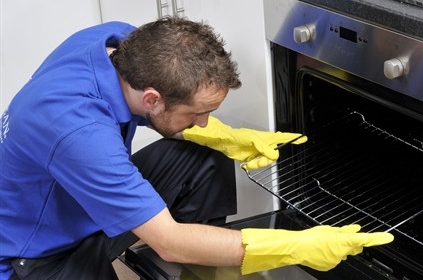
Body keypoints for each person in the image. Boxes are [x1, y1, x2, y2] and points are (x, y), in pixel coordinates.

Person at [0, 17, 393, 280]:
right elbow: (168, 240)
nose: (204, 123)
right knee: (167, 239)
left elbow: (154, 110)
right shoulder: (79, 134)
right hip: (32, 256)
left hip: (73, 202)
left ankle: (199, 271)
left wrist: (226, 138)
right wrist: (296, 246)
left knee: (202, 158)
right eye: (199, 113)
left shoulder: (116, 44)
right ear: (153, 98)